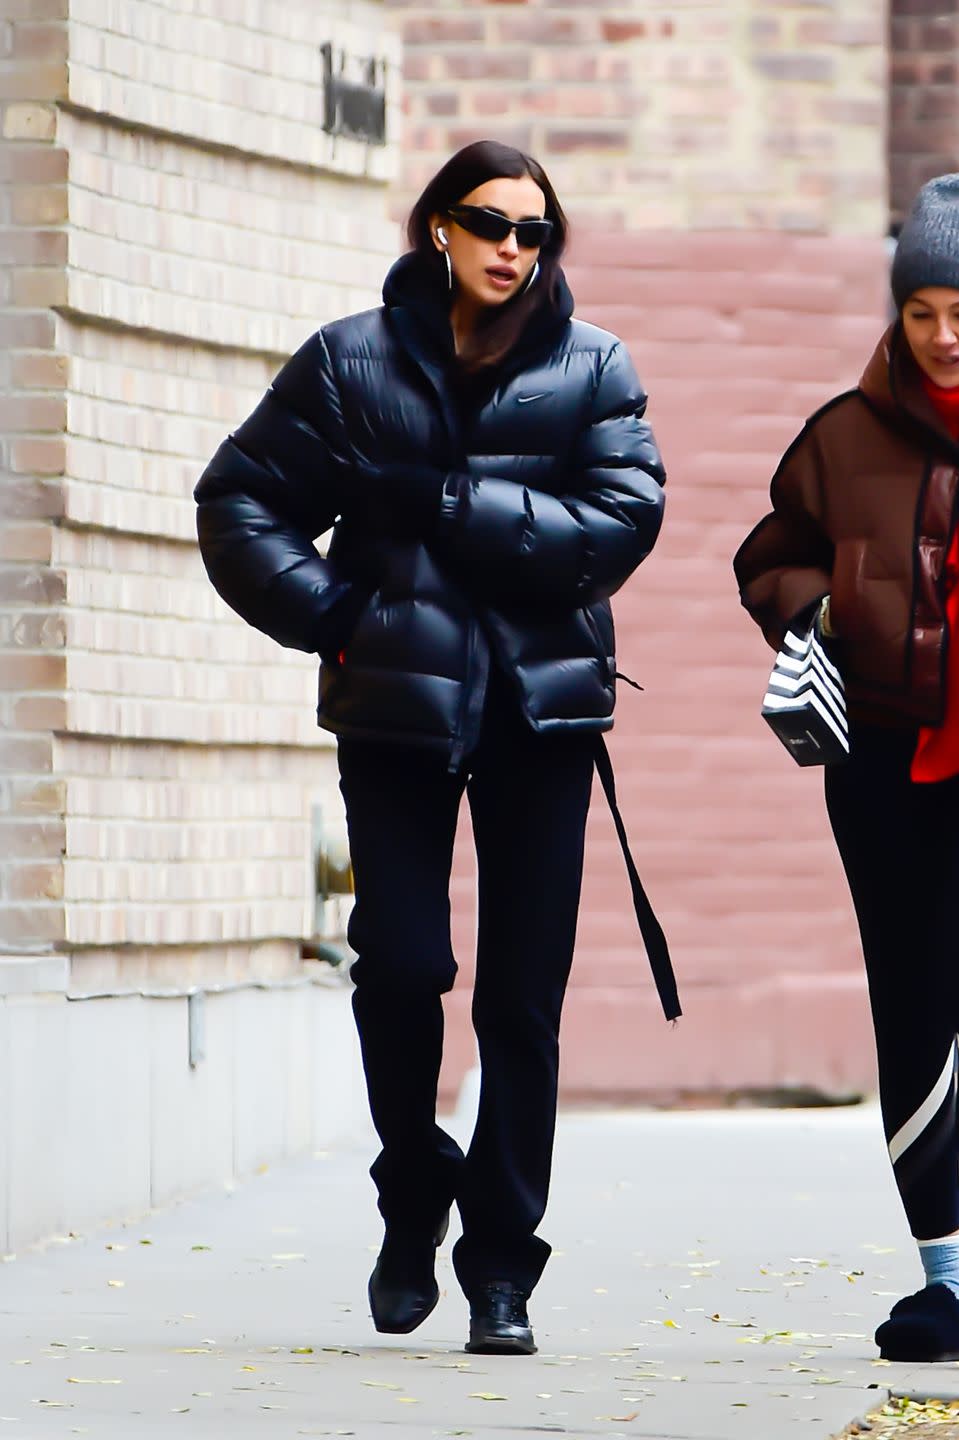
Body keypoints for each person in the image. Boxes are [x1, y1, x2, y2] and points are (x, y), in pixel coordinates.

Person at [194, 140, 677, 1356]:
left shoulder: (591, 366)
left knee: (522, 1000)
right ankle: (411, 1183)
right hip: (395, 714)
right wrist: (337, 616)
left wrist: (452, 504)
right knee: (402, 968)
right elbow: (237, 499)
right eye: (490, 224)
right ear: (438, 230)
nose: (513, 249)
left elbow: (619, 523)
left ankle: (502, 1267)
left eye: (534, 231)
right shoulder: (349, 365)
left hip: (540, 718)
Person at [734, 174, 959, 1363]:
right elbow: (766, 555)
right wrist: (821, 605)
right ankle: (943, 1273)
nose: (941, 333)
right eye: (921, 308)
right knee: (911, 1001)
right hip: (880, 764)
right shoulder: (841, 434)